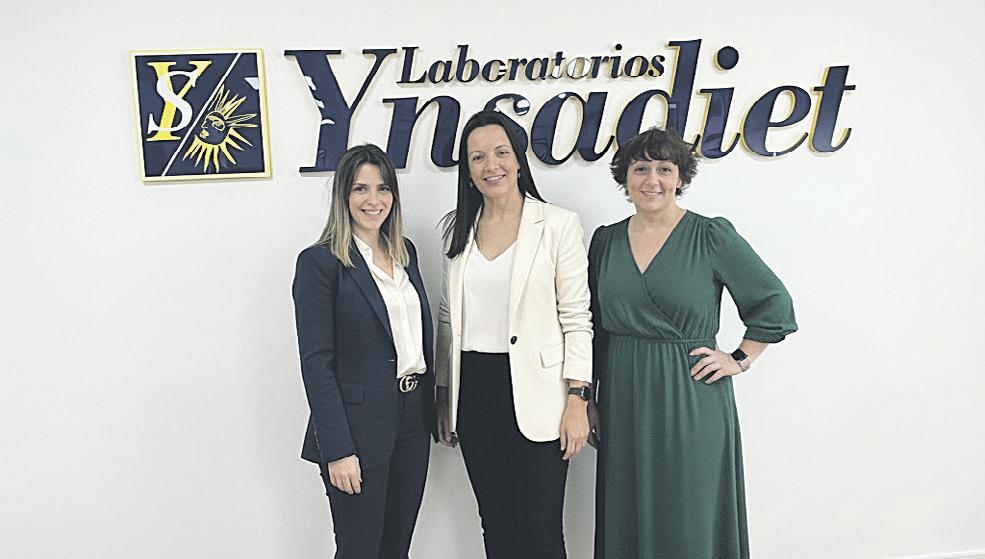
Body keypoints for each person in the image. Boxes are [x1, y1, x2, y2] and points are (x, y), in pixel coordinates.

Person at [589, 127, 798, 559]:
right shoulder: (605, 240)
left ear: (681, 177)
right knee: (628, 509)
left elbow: (774, 302)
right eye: (640, 168)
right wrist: (588, 397)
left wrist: (740, 358)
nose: (652, 180)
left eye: (664, 169)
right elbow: (593, 326)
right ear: (624, 177)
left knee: (689, 514)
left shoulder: (710, 235)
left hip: (691, 397)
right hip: (622, 395)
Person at [435, 110, 593, 559]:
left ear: (519, 160)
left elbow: (576, 316)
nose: (492, 165)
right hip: (473, 392)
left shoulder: (557, 224)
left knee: (541, 531)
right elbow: (448, 318)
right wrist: (444, 395)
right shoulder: (457, 228)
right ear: (468, 171)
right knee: (496, 524)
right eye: (478, 157)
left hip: (538, 392)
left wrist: (578, 398)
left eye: (501, 152)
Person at [292, 144, 435, 558]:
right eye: (361, 189)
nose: (374, 200)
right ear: (343, 195)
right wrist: (337, 449)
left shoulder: (406, 253)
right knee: (359, 549)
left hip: (412, 417)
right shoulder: (320, 263)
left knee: (396, 548)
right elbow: (316, 364)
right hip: (356, 426)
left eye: (383, 188)